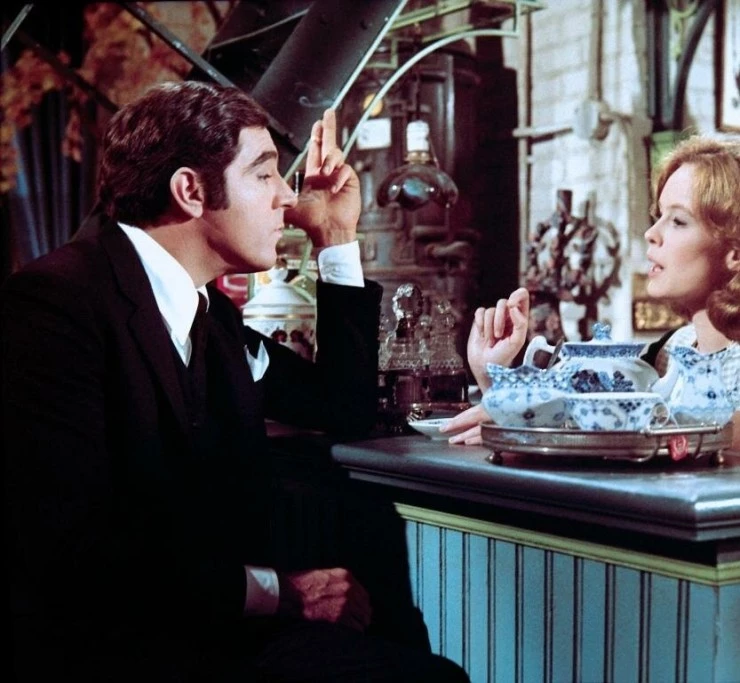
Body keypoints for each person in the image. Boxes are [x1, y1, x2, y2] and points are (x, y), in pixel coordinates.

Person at [2, 81, 469, 682]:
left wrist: (335, 241)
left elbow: (342, 406)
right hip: (116, 652)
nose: (287, 197)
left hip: (212, 633)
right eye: (264, 173)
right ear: (191, 191)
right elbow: (69, 554)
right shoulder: (54, 304)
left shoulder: (211, 316)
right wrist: (281, 592)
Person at [442, 134, 740, 451]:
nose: (651, 233)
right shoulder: (672, 348)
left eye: (678, 221)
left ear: (735, 253)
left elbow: (704, 437)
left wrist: (533, 423)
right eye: (659, 216)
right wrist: (494, 376)